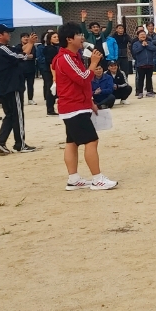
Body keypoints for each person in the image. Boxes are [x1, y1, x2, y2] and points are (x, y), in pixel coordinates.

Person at [51, 22, 117, 191]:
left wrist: (90, 101)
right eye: (79, 35)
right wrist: (93, 63)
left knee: (72, 142)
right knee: (91, 140)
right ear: (69, 39)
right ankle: (97, 179)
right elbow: (83, 78)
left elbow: (80, 83)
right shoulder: (65, 57)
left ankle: (73, 179)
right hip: (74, 107)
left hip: (76, 105)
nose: (82, 38)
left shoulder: (73, 56)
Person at [0, 24, 37, 155]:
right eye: (7, 32)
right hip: (12, 85)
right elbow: (20, 56)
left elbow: (18, 52)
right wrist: (30, 44)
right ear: (0, 35)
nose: (9, 35)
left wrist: (29, 44)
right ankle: (20, 144)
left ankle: (0, 142)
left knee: (10, 115)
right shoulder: (1, 48)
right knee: (18, 115)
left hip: (3, 86)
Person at [130, 29, 156, 98]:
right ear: (138, 36)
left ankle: (149, 92)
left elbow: (154, 48)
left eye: (144, 34)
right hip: (140, 64)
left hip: (150, 64)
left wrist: (147, 45)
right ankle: (140, 92)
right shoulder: (136, 44)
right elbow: (135, 51)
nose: (143, 36)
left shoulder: (149, 42)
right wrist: (142, 46)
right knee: (140, 79)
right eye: (141, 35)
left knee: (149, 78)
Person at [39, 30, 60, 116]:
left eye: (57, 36)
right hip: (50, 71)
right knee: (51, 89)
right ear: (49, 39)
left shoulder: (57, 47)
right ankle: (50, 109)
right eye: (54, 37)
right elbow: (51, 63)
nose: (57, 38)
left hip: (55, 70)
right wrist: (54, 76)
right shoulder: (49, 49)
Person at [20, 33, 38, 105]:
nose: (26, 38)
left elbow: (33, 56)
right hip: (21, 69)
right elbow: (20, 55)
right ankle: (21, 99)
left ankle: (30, 99)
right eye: (24, 37)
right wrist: (26, 56)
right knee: (21, 86)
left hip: (31, 68)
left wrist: (25, 56)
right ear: (21, 38)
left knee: (30, 85)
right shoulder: (18, 46)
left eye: (27, 37)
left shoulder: (33, 47)